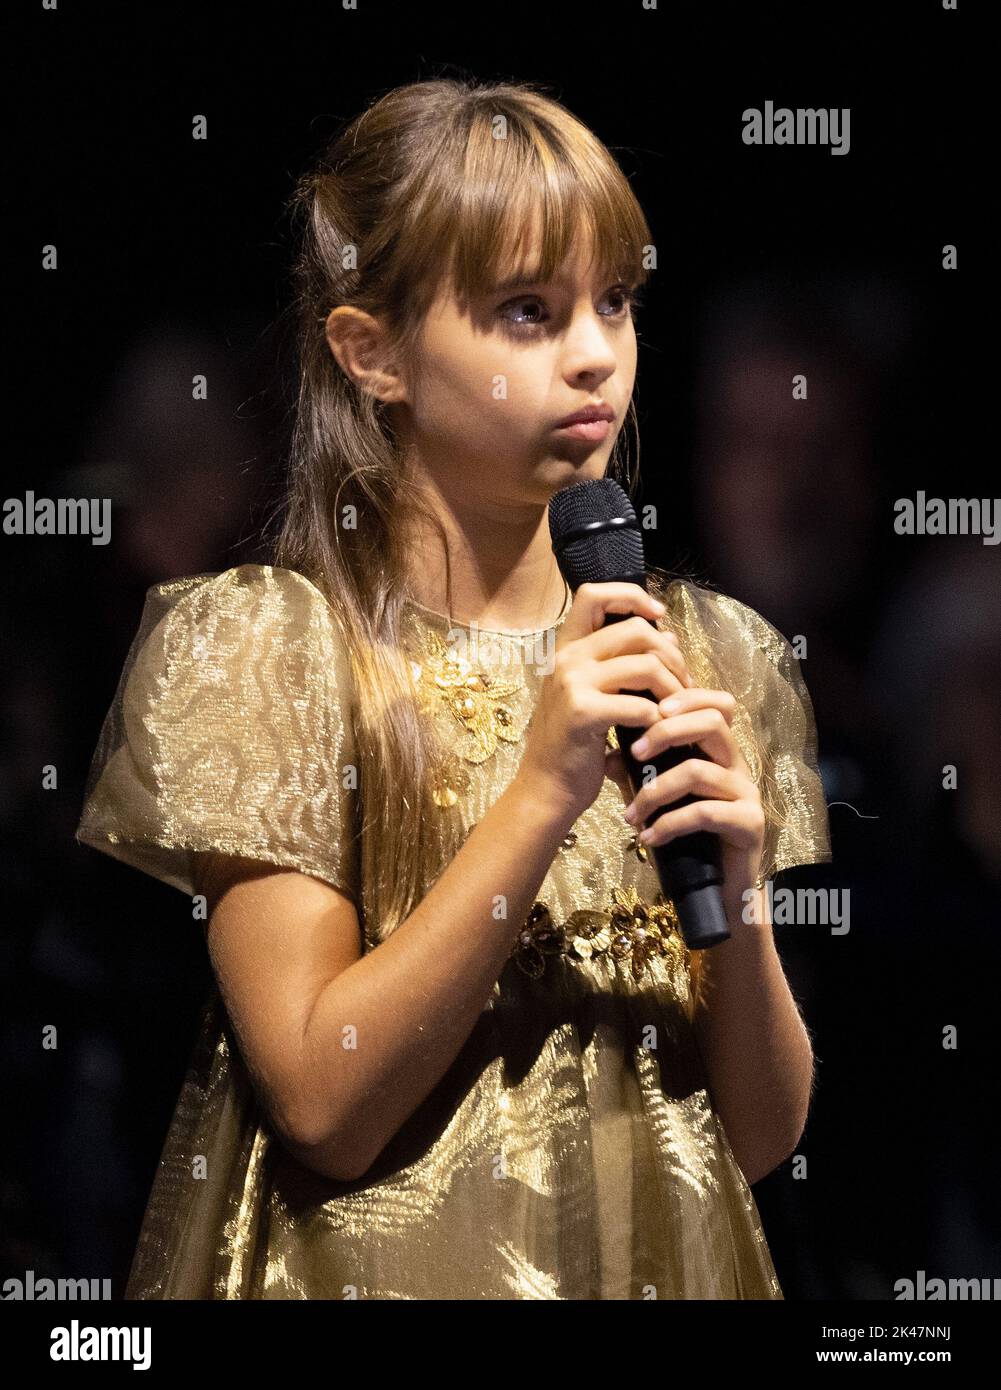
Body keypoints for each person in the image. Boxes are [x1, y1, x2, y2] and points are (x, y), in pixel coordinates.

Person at [74, 78, 831, 1300]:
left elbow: (759, 1136)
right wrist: (538, 793)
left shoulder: (708, 652)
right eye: (525, 313)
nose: (595, 356)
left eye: (614, 303)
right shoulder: (273, 650)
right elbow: (324, 1101)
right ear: (372, 352)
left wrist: (735, 901)